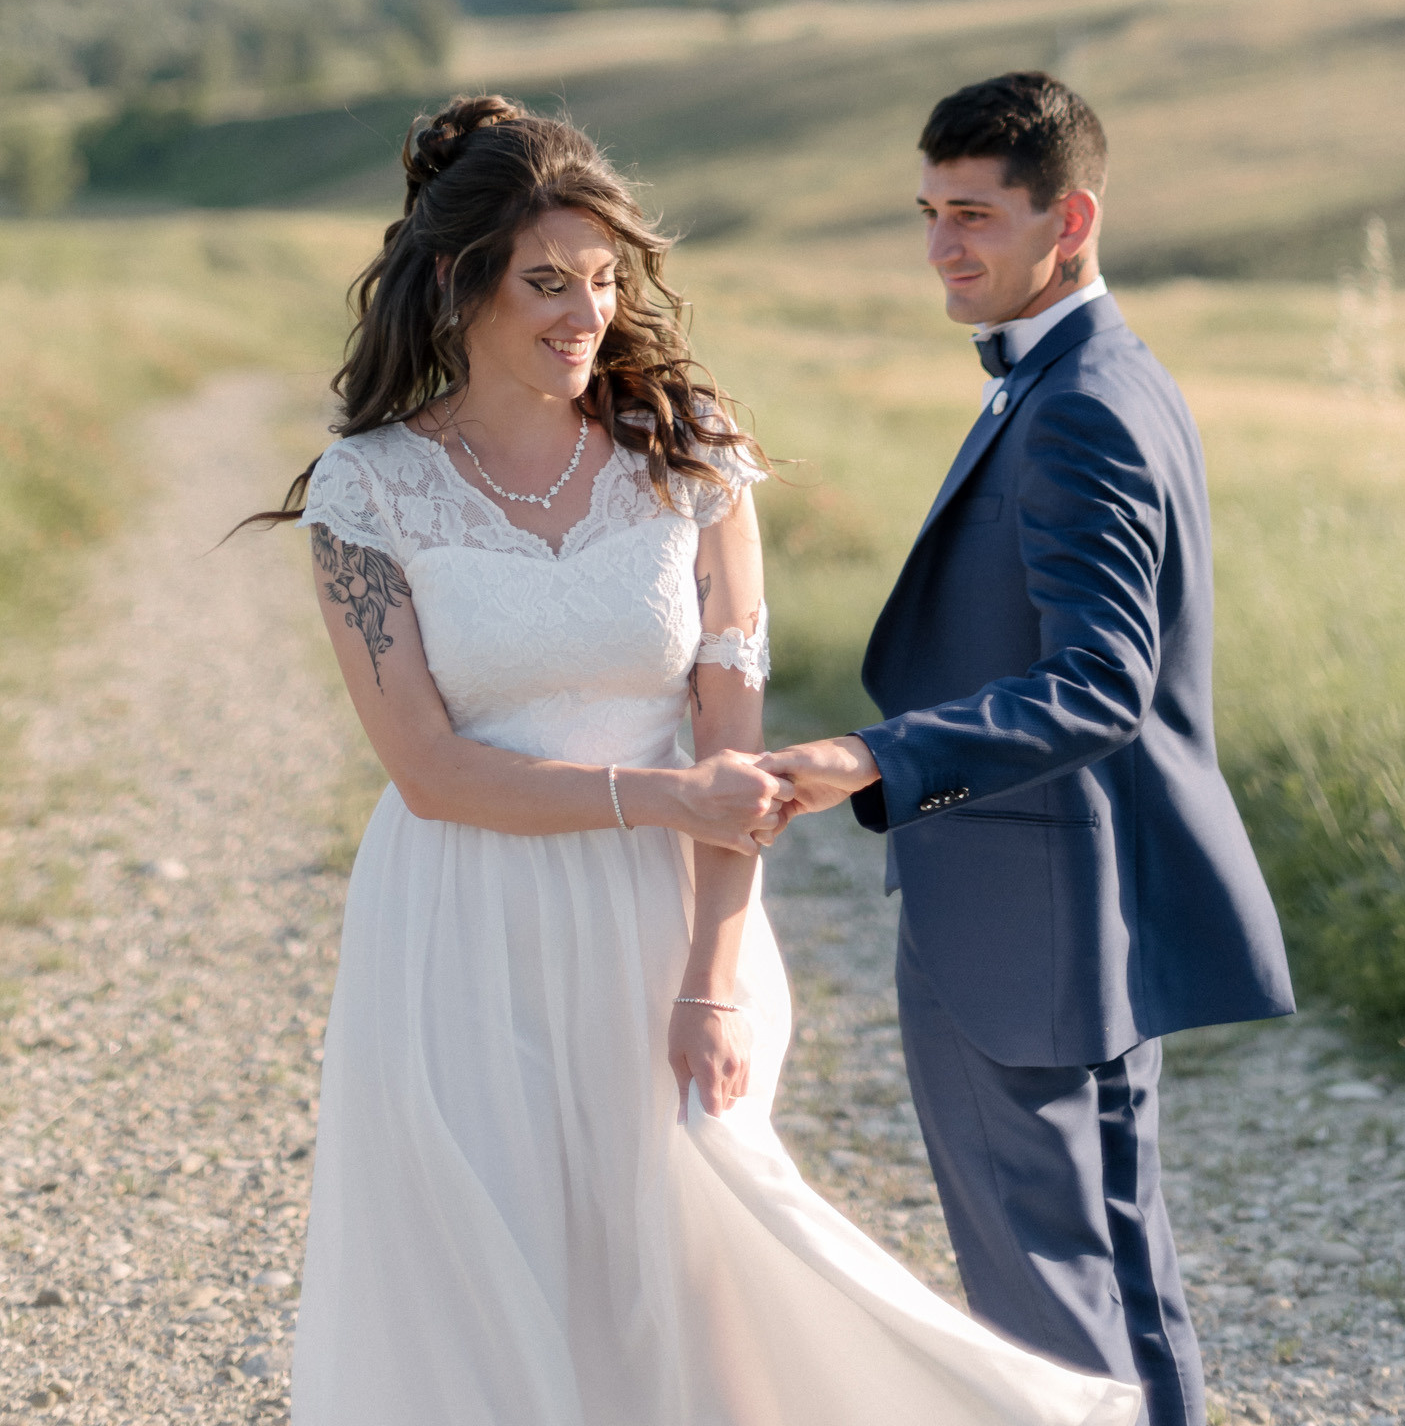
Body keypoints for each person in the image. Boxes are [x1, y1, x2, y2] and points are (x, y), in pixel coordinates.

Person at [272, 94, 1139, 1426]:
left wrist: (714, 976)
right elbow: (432, 772)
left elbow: (732, 750)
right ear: (460, 283)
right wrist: (663, 793)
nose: (585, 314)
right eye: (547, 281)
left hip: (668, 922)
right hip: (459, 924)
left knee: (699, 1272)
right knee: (491, 1289)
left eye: (607, 282)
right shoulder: (369, 492)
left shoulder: (691, 457)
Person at [764, 71, 1294, 1426]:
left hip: (1027, 911)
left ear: (1073, 220)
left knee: (1044, 1304)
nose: (945, 247)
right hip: (1076, 911)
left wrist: (874, 758)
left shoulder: (1083, 405)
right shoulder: (1094, 371)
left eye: (978, 216)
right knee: (1121, 1275)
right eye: (930, 212)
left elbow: (1102, 683)